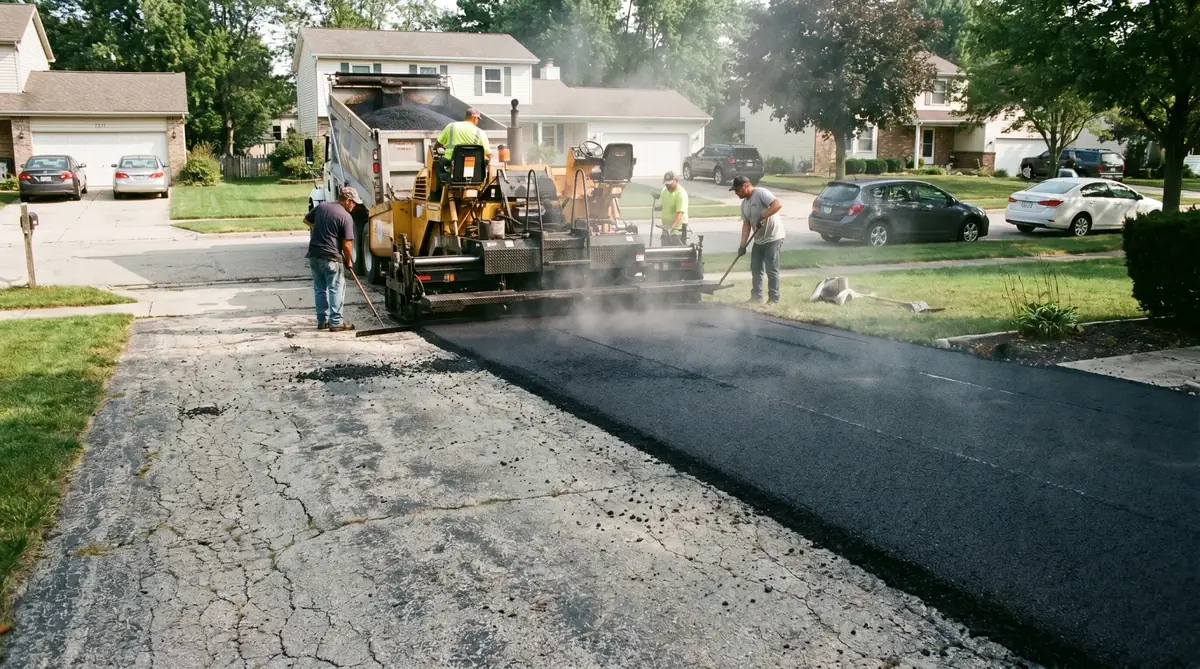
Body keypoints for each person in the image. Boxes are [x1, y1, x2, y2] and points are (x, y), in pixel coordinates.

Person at [303, 185, 359, 332]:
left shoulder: (322, 207)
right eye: (353, 202)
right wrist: (348, 260)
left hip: (314, 255)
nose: (354, 205)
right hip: (331, 258)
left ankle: (322, 321)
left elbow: (306, 220)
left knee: (320, 288)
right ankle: (336, 323)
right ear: (347, 200)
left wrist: (317, 228)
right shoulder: (346, 217)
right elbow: (347, 244)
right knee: (336, 288)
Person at [731, 175, 785, 304]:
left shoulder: (761, 193)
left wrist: (763, 216)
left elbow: (777, 205)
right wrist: (742, 246)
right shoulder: (744, 204)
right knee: (756, 268)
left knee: (771, 269)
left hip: (773, 237)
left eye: (737, 190)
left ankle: (773, 299)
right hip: (759, 239)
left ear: (745, 186)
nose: (736, 193)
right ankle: (757, 297)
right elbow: (746, 225)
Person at [432, 108, 491, 196]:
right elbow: (489, 155)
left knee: (437, 165)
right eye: (478, 119)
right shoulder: (480, 133)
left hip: (451, 170)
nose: (477, 121)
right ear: (475, 118)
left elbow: (437, 146)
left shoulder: (451, 127)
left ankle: (436, 195)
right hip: (474, 174)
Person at [658, 171, 688, 246]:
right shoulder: (664, 190)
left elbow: (679, 213)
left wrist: (671, 228)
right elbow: (665, 205)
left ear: (676, 181)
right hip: (666, 229)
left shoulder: (681, 194)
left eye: (670, 184)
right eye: (666, 184)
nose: (668, 186)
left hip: (677, 231)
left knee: (677, 254)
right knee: (664, 253)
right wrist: (656, 208)